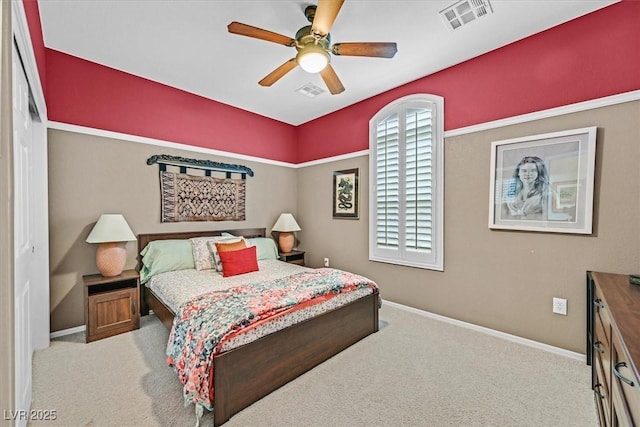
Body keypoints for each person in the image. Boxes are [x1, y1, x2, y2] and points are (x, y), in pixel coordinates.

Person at [503, 155, 549, 220]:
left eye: (533, 170)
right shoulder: (509, 195)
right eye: (524, 170)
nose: (527, 174)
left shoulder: (546, 195)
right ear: (518, 173)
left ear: (539, 173)